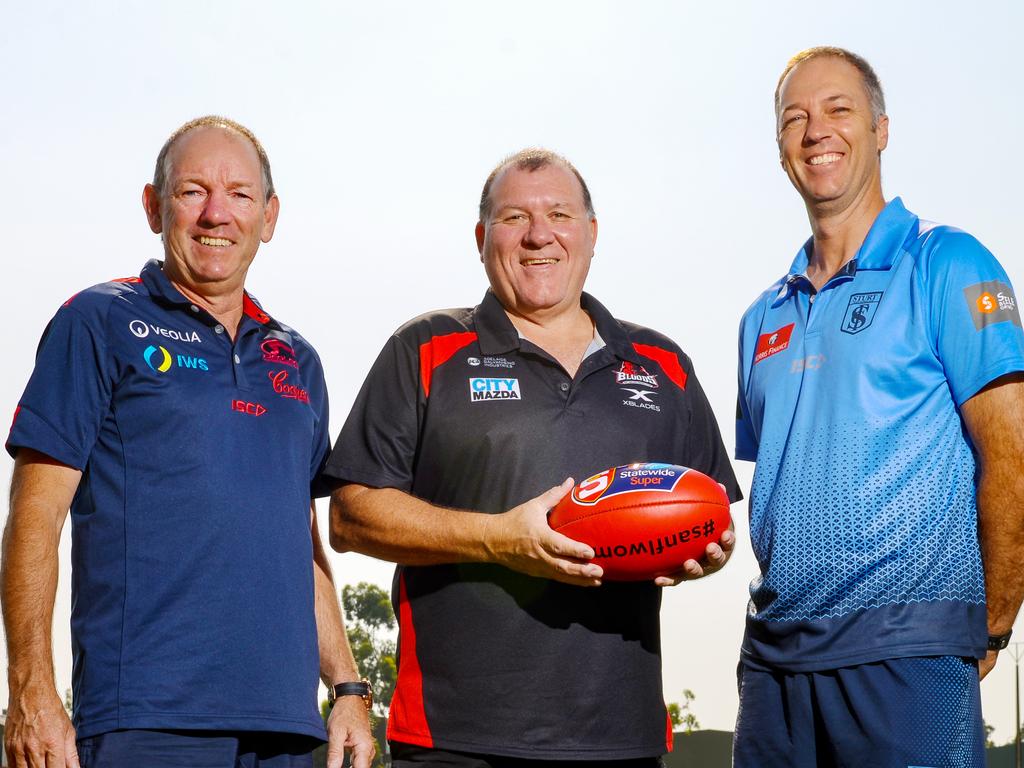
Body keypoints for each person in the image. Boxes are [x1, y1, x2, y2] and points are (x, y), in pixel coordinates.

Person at [324, 148, 742, 767]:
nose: (539, 235)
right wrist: (498, 539)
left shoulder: (664, 363)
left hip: (620, 739)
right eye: (514, 217)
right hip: (455, 739)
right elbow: (350, 518)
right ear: (481, 237)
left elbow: (709, 514)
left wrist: (703, 551)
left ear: (592, 234)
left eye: (560, 215)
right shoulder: (425, 347)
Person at [2, 116, 374, 768]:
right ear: (154, 205)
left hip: (287, 730)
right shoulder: (99, 320)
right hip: (144, 721)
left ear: (269, 215)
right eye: (192, 191)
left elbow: (301, 543)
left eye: (238, 194)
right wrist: (30, 687)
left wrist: (346, 686)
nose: (215, 214)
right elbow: (35, 518)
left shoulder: (298, 360)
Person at [733, 47, 1024, 767]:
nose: (815, 131)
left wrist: (992, 620)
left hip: (908, 648)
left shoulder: (946, 262)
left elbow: (1013, 449)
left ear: (881, 129)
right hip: (775, 663)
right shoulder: (759, 316)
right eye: (793, 118)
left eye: (839, 109)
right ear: (779, 148)